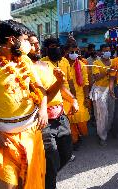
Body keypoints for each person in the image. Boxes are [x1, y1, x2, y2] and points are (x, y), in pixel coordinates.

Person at [0, 20, 48, 189]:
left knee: (28, 184)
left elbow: (40, 89)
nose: (27, 44)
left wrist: (43, 109)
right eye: (24, 40)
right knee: (8, 186)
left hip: (31, 135)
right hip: (2, 139)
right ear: (11, 40)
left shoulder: (24, 59)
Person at [28, 32, 78, 189]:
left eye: (37, 43)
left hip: (61, 117)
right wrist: (59, 82)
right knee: (52, 160)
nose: (36, 46)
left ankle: (43, 179)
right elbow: (42, 98)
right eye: (31, 43)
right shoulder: (25, 70)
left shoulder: (47, 65)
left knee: (67, 154)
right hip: (43, 121)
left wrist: (73, 99)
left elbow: (61, 87)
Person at [64, 44, 91, 146]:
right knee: (70, 119)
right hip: (66, 95)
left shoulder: (81, 65)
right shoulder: (63, 63)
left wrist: (87, 98)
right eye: (71, 52)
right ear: (66, 52)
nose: (74, 54)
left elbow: (86, 83)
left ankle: (80, 135)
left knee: (81, 118)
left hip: (80, 95)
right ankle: (74, 140)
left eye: (76, 52)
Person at [90, 44, 114, 146]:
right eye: (105, 50)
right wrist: (107, 71)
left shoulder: (113, 62)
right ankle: (102, 136)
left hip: (111, 89)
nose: (107, 52)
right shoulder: (96, 63)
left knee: (111, 112)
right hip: (99, 90)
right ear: (101, 52)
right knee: (101, 114)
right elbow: (96, 77)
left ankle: (106, 131)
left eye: (109, 50)